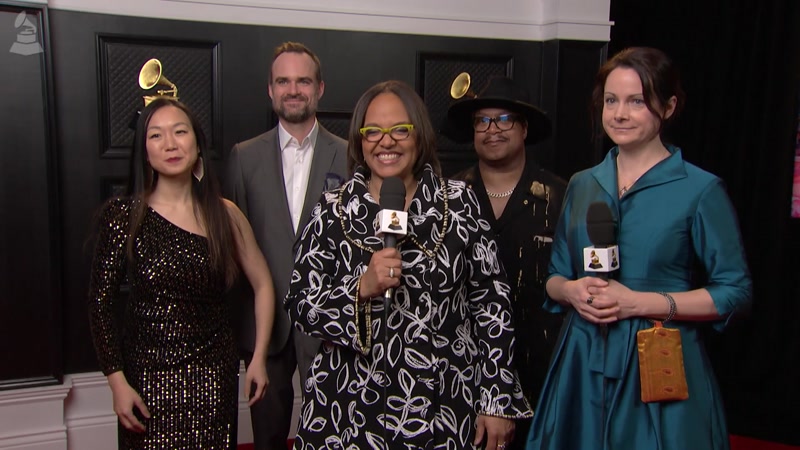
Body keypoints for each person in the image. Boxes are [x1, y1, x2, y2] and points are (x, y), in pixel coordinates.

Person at [285, 80, 532, 450]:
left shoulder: (460, 202)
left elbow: (492, 302)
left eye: (400, 129)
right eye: (374, 132)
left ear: (419, 136)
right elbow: (300, 303)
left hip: (445, 402)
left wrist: (496, 399)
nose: (387, 141)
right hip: (349, 407)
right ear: (359, 139)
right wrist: (360, 289)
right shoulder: (332, 209)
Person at [526, 47, 752, 450]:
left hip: (658, 362)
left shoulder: (700, 190)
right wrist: (572, 291)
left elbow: (734, 293)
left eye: (637, 101)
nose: (620, 114)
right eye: (611, 101)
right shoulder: (582, 183)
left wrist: (639, 303)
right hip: (584, 356)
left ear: (668, 106)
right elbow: (555, 278)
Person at [88, 97, 275, 449]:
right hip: (146, 377)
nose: (170, 144)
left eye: (180, 132)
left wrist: (259, 357)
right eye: (156, 136)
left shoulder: (226, 214)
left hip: (212, 375)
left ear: (197, 142)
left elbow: (264, 284)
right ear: (145, 151)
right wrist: (117, 383)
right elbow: (99, 304)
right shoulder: (123, 217)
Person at [224, 41, 348, 450]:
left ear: (320, 88)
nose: (293, 89)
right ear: (270, 90)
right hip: (266, 329)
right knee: (268, 438)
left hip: (331, 326)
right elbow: (235, 249)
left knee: (333, 434)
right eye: (283, 81)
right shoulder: (243, 158)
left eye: (303, 81)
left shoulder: (351, 157)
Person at [446, 77, 566, 448]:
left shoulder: (561, 196)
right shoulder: (448, 197)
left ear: (525, 128)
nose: (492, 130)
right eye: (482, 121)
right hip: (464, 369)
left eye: (504, 119)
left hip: (542, 369)